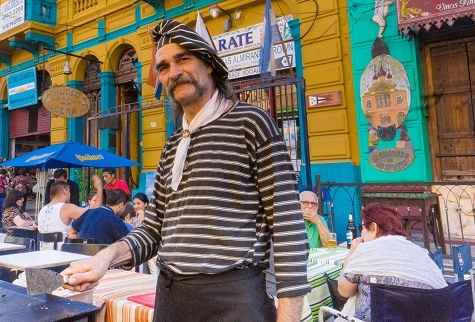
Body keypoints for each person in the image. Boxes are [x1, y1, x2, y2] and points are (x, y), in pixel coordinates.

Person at [62, 20, 310, 322]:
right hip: (171, 297)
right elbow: (153, 230)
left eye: (183, 59)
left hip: (234, 300)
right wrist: (104, 259)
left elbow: (287, 225)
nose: (173, 72)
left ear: (209, 63)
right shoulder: (172, 146)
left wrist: (289, 315)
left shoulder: (251, 124)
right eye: (164, 67)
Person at [338, 203, 447, 321]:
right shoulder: (420, 253)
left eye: (362, 228)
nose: (361, 234)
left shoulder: (366, 250)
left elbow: (344, 291)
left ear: (374, 228)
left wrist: (351, 253)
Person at [38, 175, 103, 239]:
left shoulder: (43, 210)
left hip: (43, 249)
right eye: (69, 191)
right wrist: (99, 188)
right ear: (65, 191)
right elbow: (94, 214)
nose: (70, 194)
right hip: (61, 249)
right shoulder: (66, 208)